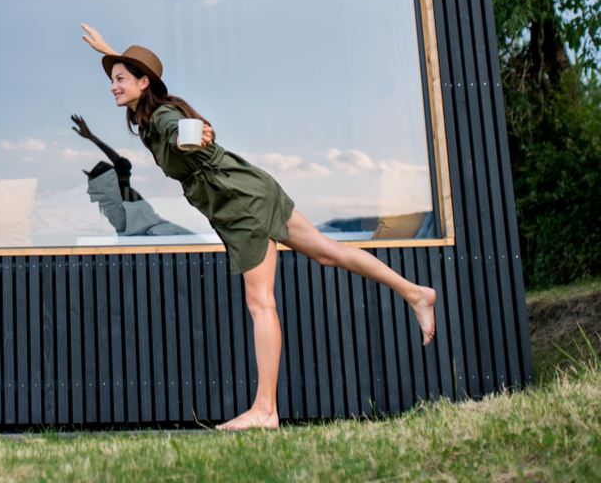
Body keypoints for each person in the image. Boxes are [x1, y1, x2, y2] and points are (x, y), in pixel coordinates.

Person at [80, 23, 438, 430]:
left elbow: (183, 130)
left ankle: (266, 410)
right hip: (251, 189)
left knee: (260, 302)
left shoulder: (161, 116)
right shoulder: (145, 113)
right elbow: (151, 100)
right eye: (112, 79)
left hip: (241, 204)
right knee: (329, 253)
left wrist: (196, 135)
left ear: (144, 83)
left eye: (120, 79)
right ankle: (415, 293)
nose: (113, 86)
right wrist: (108, 51)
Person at [70, 115, 192, 237]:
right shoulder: (107, 205)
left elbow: (121, 163)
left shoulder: (120, 191)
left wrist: (92, 137)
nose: (89, 189)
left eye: (92, 183)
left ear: (102, 183)